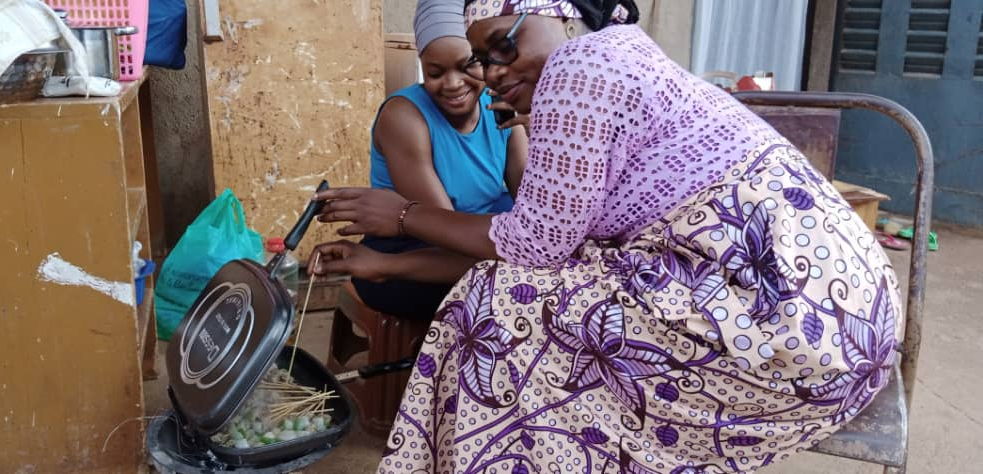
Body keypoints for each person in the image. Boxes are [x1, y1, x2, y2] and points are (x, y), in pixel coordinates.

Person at [311, 1, 900, 472]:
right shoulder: (613, 59)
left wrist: (403, 217)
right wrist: (392, 246)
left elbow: (535, 241)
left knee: (497, 307)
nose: (488, 75)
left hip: (788, 327)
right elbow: (547, 233)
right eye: (473, 60)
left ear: (562, 13)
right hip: (847, 316)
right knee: (521, 290)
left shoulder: (576, 70)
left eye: (499, 48)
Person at [351, 0, 528, 320]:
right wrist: (521, 249)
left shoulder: (499, 103)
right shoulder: (404, 117)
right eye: (435, 72)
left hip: (480, 240)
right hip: (417, 248)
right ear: (422, 67)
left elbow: (530, 198)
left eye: (468, 66)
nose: (452, 84)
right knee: (512, 289)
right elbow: (447, 232)